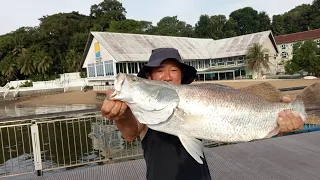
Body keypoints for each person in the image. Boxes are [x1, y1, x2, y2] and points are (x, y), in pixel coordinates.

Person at [101, 48, 304, 180]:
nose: (167, 77)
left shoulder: (198, 97)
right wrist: (120, 115)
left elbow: (242, 120)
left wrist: (281, 122)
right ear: (150, 77)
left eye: (173, 70)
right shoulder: (143, 112)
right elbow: (130, 132)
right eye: (160, 71)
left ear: (181, 75)